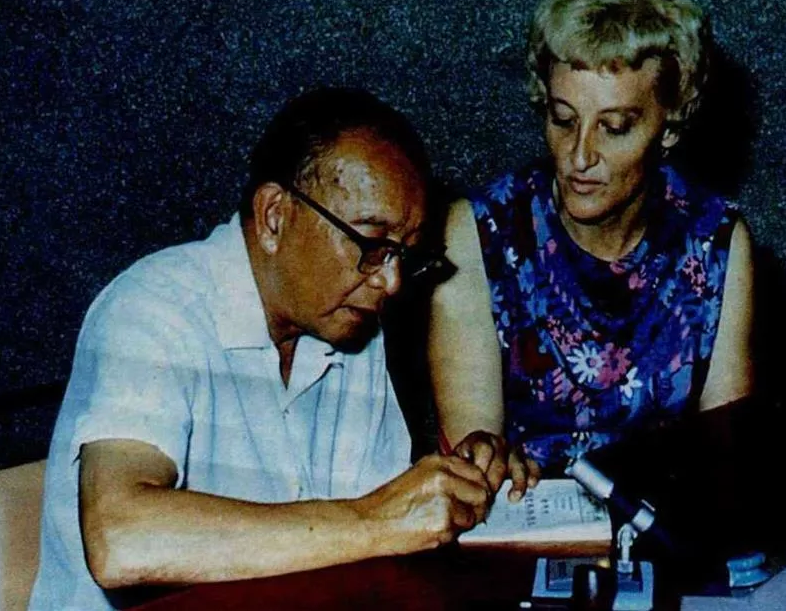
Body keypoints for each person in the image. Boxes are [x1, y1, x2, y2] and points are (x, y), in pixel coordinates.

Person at [29, 88, 501, 610]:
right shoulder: (152, 311)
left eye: (404, 256)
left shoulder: (350, 327)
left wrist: (459, 489)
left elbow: (376, 545)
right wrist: (375, 518)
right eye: (371, 245)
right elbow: (120, 539)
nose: (390, 282)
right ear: (275, 215)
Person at [428, 0, 755, 486]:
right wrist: (488, 458)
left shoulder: (716, 243)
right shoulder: (479, 233)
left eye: (615, 127)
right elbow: (473, 452)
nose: (580, 156)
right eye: (563, 119)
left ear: (670, 125)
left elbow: (727, 460)